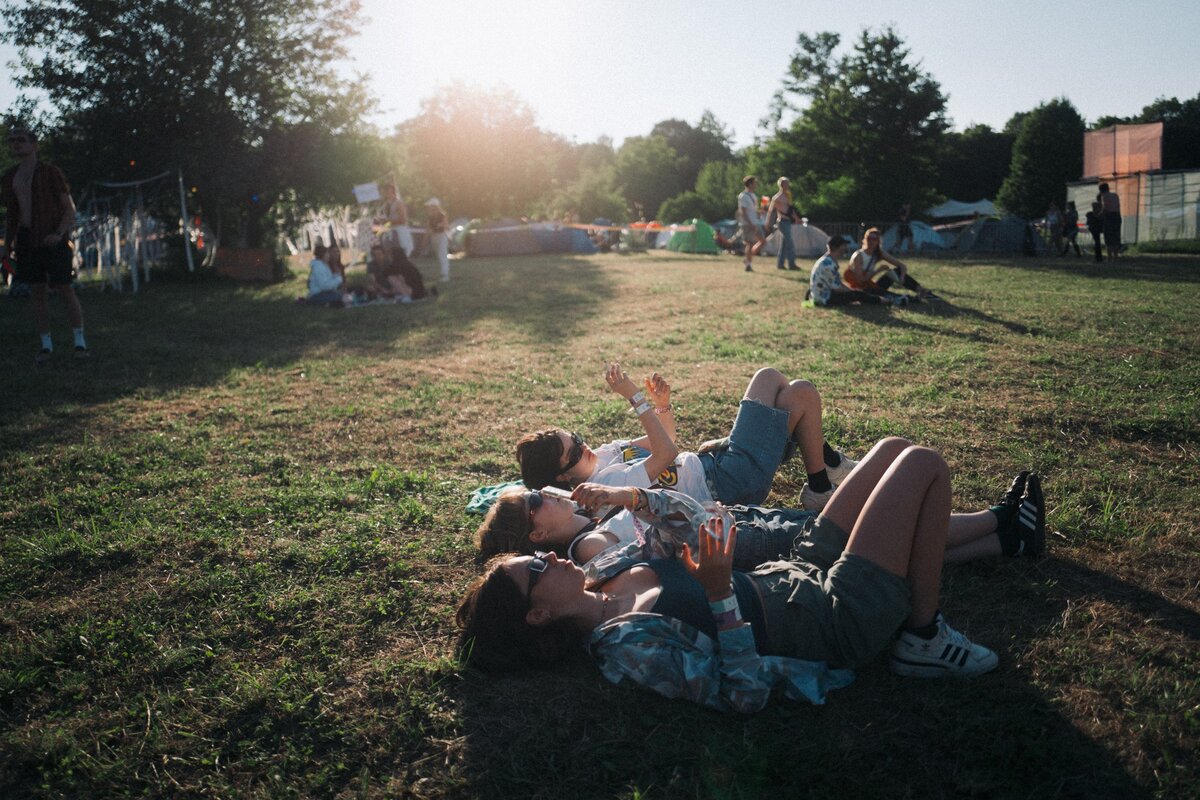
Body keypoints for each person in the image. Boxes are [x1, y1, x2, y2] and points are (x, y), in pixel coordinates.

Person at [457, 437, 1028, 712]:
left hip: (798, 566)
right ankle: (922, 636)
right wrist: (718, 591)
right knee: (923, 466)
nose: (551, 558)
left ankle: (1002, 536)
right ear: (540, 614)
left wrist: (634, 498)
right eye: (535, 566)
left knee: (893, 451)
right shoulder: (623, 648)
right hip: (828, 619)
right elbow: (743, 693)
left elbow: (683, 518)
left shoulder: (603, 567)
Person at [475, 465, 1045, 571]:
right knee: (877, 530)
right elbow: (668, 553)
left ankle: (1011, 540)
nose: (545, 496)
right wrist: (626, 501)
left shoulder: (591, 532)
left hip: (748, 526)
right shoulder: (587, 551)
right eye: (534, 502)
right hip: (755, 549)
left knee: (884, 549)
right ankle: (1000, 517)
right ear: (536, 532)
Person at [516, 364, 857, 512]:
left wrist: (662, 407)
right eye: (573, 452)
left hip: (718, 464)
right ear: (562, 477)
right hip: (728, 485)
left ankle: (821, 480)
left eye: (575, 438)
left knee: (795, 398)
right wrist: (635, 397)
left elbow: (664, 438)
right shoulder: (606, 485)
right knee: (779, 382)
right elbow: (665, 454)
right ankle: (824, 476)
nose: (582, 446)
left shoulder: (603, 455)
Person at [1, 127, 89, 362]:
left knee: (64, 288)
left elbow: (69, 208)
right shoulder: (10, 177)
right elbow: (12, 215)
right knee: (36, 291)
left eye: (21, 140)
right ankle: (46, 345)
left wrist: (59, 233)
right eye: (12, 142)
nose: (16, 145)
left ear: (34, 145)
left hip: (52, 238)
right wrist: (7, 244)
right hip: (27, 239)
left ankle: (79, 342)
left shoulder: (50, 172)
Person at [844, 227, 936, 301]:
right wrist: (877, 271)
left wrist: (901, 277)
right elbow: (860, 281)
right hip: (862, 289)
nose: (871, 241)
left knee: (897, 271)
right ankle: (909, 298)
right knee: (881, 292)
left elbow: (901, 266)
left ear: (878, 241)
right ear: (865, 240)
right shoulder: (858, 255)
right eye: (869, 238)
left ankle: (922, 291)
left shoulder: (878, 253)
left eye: (874, 239)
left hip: (870, 285)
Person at [809, 235, 899, 307]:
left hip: (823, 296)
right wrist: (853, 292)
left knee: (856, 293)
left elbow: (837, 283)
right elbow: (838, 289)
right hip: (825, 299)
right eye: (843, 245)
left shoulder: (828, 261)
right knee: (857, 294)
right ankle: (883, 301)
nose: (846, 247)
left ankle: (882, 299)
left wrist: (851, 290)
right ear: (835, 247)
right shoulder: (828, 264)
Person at [765, 178, 800, 271]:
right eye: (787, 184)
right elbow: (770, 211)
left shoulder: (788, 195)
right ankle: (792, 265)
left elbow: (790, 209)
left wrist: (796, 218)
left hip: (788, 221)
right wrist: (768, 223)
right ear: (782, 185)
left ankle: (780, 265)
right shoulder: (777, 197)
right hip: (782, 222)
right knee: (790, 244)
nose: (788, 186)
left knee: (784, 245)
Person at [375, 183, 412, 256]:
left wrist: (387, 221)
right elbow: (387, 221)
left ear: (394, 193)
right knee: (388, 253)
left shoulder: (399, 204)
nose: (387, 194)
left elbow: (403, 220)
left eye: (389, 192)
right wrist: (381, 221)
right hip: (389, 232)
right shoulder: (386, 205)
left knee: (401, 254)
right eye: (386, 193)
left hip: (399, 232)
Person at [737, 176, 765, 272]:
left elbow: (752, 210)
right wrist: (750, 223)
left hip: (755, 222)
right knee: (749, 243)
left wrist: (759, 212)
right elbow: (743, 212)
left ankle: (747, 258)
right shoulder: (743, 196)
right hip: (748, 223)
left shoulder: (753, 195)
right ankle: (748, 265)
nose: (756, 184)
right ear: (750, 184)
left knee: (763, 241)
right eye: (754, 183)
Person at [425, 198, 450, 283]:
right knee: (439, 255)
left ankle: (445, 275)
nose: (429, 208)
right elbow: (428, 228)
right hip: (434, 236)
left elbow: (446, 226)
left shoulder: (442, 215)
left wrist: (440, 226)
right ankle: (442, 273)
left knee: (442, 255)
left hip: (442, 236)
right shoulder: (430, 216)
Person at [1098, 183, 1121, 262]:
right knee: (1116, 236)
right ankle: (1116, 257)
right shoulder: (1115, 195)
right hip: (1117, 216)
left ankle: (1109, 257)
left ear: (1101, 190)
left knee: (1108, 237)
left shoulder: (1104, 196)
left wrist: (1099, 216)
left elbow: (1106, 208)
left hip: (1109, 217)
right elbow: (1118, 206)